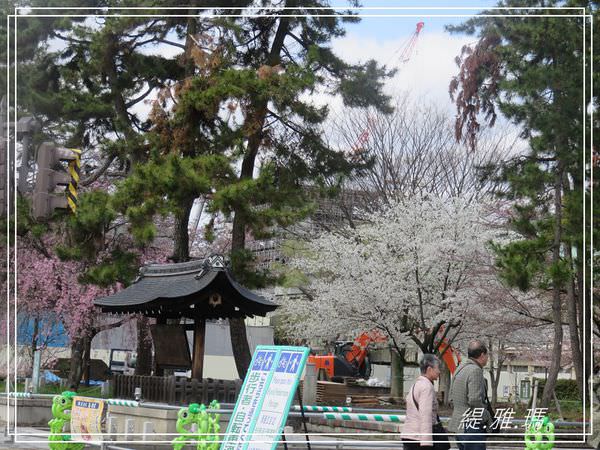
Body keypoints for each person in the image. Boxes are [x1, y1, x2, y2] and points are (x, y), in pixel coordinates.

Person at [449, 340, 492, 450]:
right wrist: (486, 416)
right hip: (472, 426)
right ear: (482, 354)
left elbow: (451, 397)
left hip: (459, 425)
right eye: (487, 355)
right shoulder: (475, 371)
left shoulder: (460, 368)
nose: (487, 358)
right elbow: (474, 400)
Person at [401, 354, 441, 449]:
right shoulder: (427, 387)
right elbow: (426, 416)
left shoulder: (416, 384)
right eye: (438, 368)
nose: (439, 371)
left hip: (410, 435)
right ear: (429, 369)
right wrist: (427, 443)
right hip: (419, 439)